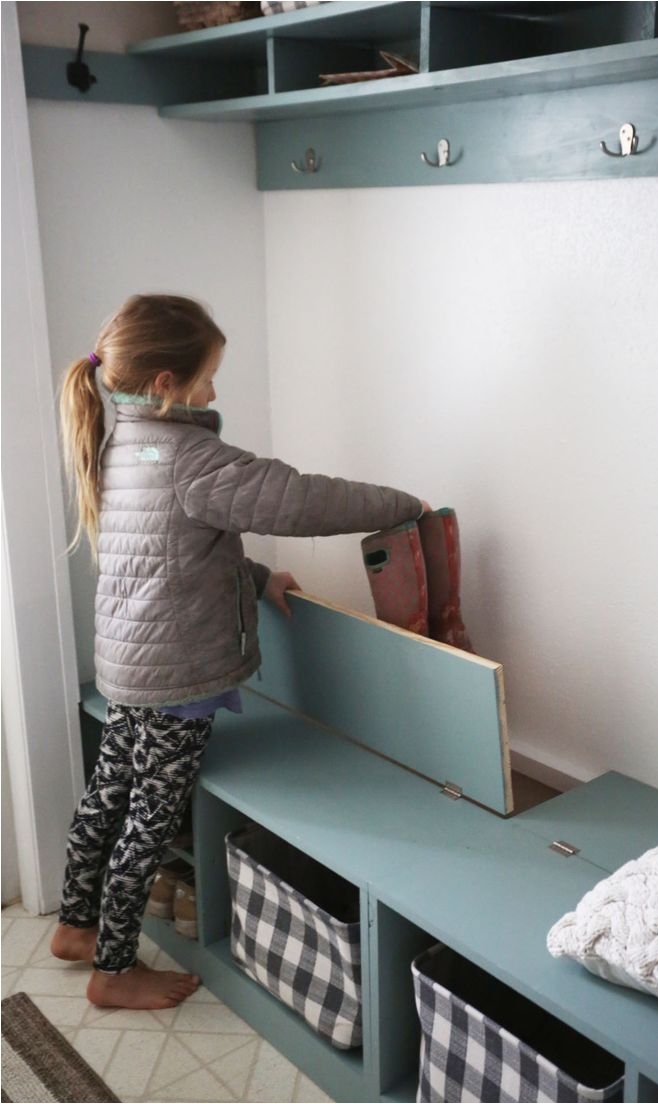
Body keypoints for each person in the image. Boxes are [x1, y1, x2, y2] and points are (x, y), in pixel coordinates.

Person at [51, 293, 429, 1010]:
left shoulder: (126, 438)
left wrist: (257, 578)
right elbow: (299, 499)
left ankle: (75, 925)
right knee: (150, 819)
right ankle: (113, 970)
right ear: (165, 383)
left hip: (132, 662)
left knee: (107, 796)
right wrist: (401, 504)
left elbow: (176, 551)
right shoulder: (191, 456)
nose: (214, 392)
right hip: (176, 675)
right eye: (205, 377)